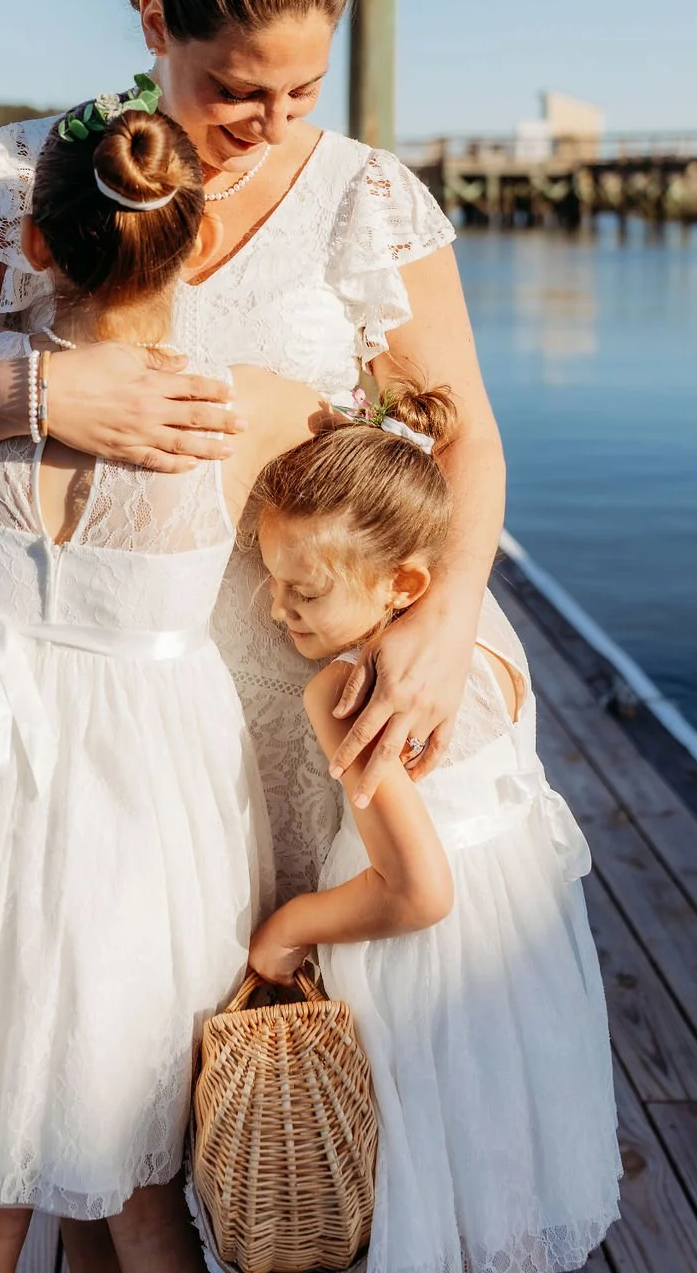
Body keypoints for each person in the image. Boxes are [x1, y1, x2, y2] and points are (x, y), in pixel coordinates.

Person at [0, 0, 507, 905]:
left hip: (316, 702)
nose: (272, 127)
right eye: (236, 89)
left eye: (304, 89)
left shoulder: (365, 197)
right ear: (154, 23)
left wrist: (445, 620)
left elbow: (463, 437)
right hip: (98, 740)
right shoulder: (27, 181)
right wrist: (42, 396)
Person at [0, 95, 332, 1273]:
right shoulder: (241, 408)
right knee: (144, 1182)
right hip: (147, 803)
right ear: (199, 240)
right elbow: (389, 445)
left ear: (34, 242)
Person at [241, 386, 621, 1273]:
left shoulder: (344, 690)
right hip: (520, 950)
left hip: (426, 973)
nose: (275, 609)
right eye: (270, 581)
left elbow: (415, 891)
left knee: (423, 1180)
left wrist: (287, 929)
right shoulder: (484, 631)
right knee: (499, 1165)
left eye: (304, 591)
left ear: (404, 583)